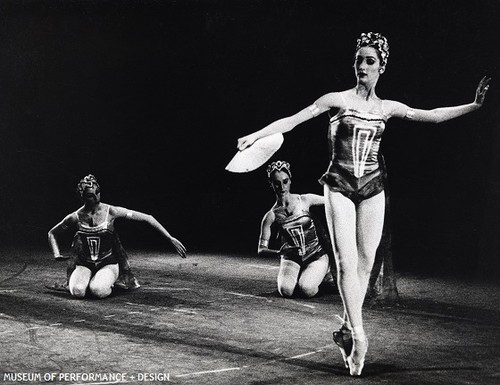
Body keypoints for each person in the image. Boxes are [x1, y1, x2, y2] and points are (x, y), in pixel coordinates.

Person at [237, 32, 490, 376]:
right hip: (338, 183)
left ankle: (346, 331)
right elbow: (293, 120)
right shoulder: (337, 100)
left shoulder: (387, 108)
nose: (362, 66)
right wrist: (257, 135)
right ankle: (359, 335)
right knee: (345, 261)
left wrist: (472, 106)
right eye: (358, 59)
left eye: (369, 60)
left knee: (366, 264)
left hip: (372, 185)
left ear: (382, 67)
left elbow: (431, 116)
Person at [47, 174, 187, 299]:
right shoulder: (75, 217)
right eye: (90, 195)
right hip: (84, 263)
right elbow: (52, 233)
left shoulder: (111, 211)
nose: (96, 198)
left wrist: (170, 237)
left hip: (108, 262)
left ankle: (108, 282)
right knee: (78, 292)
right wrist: (56, 253)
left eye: (98, 192)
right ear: (82, 196)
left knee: (97, 291)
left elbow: (147, 218)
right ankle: (91, 280)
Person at [258, 160, 333, 298]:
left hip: (315, 255)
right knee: (286, 290)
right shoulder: (271, 215)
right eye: (277, 183)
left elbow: (332, 201)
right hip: (291, 258)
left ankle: (323, 276)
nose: (282, 187)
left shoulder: (304, 200)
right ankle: (302, 275)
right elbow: (261, 249)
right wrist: (280, 252)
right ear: (271, 184)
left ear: (290, 181)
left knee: (307, 289)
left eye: (285, 181)